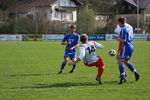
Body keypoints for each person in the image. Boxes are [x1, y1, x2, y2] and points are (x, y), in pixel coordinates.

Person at [115, 17, 140, 84]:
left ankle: (123, 77)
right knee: (124, 61)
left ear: (120, 22)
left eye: (118, 22)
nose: (118, 24)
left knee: (120, 60)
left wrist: (117, 39)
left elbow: (124, 40)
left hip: (126, 46)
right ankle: (135, 72)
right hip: (131, 46)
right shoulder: (128, 27)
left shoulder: (123, 29)